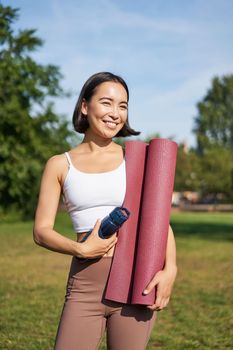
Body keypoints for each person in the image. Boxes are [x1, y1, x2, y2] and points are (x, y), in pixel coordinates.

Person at [33, 72, 178, 350]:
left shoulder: (136, 159)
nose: (115, 113)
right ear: (85, 106)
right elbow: (41, 231)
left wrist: (170, 267)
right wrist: (81, 250)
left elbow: (159, 219)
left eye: (122, 105)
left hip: (138, 278)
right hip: (86, 282)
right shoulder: (59, 164)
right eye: (107, 102)